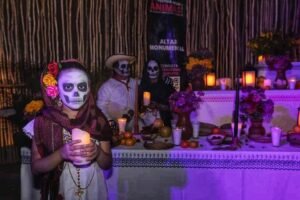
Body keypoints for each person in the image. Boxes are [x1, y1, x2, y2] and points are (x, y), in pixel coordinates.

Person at [28, 60, 112, 199]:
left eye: (81, 86)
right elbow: (36, 168)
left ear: (89, 88)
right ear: (56, 89)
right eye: (68, 87)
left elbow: (107, 163)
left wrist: (98, 153)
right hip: (61, 189)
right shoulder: (44, 121)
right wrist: (61, 154)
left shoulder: (97, 118)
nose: (76, 93)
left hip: (93, 188)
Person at [96, 54, 138, 131]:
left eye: (128, 66)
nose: (127, 69)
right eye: (123, 66)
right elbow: (100, 107)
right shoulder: (107, 86)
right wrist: (110, 122)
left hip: (134, 128)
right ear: (115, 68)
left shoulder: (134, 83)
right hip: (115, 129)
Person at [139, 59, 176, 127]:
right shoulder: (142, 86)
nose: (153, 71)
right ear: (146, 70)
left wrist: (158, 105)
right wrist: (145, 106)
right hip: (147, 124)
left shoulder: (166, 85)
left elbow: (174, 105)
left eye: (155, 68)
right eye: (150, 68)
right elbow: (138, 107)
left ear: (159, 70)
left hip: (164, 122)